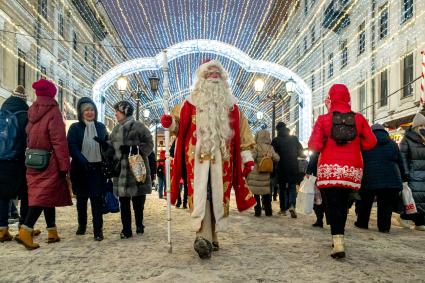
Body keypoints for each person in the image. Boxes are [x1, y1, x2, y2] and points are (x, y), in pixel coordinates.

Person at [161, 59, 256, 259]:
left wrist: (247, 158)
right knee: (200, 195)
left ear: (222, 78)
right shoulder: (188, 104)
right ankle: (202, 236)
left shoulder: (233, 106)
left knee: (218, 196)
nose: (213, 76)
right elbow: (177, 125)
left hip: (223, 161)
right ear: (202, 78)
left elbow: (244, 135)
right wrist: (169, 123)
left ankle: (212, 236)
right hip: (195, 161)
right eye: (209, 73)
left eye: (217, 74)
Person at [308, 84, 376, 259]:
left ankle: (337, 241)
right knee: (343, 204)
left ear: (330, 98)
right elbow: (371, 143)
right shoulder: (359, 119)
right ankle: (339, 238)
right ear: (348, 97)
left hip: (329, 169)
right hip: (351, 169)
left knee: (332, 205)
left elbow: (314, 146)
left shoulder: (323, 119)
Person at [16, 79, 71, 250]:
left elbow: (28, 134)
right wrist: (64, 166)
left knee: (46, 194)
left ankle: (52, 231)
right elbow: (59, 141)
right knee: (43, 197)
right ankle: (26, 230)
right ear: (52, 93)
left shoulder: (32, 110)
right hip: (49, 160)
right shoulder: (53, 111)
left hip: (33, 159)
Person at [107, 101, 153, 239]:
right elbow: (111, 149)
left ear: (125, 112)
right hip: (121, 171)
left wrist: (134, 149)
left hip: (136, 169)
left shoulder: (139, 127)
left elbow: (149, 145)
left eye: (118, 111)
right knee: (124, 202)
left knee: (138, 201)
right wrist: (106, 147)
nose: (115, 114)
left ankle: (139, 224)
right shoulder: (115, 130)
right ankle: (126, 229)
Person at [67, 97, 108, 241]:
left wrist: (104, 145)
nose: (89, 112)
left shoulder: (101, 127)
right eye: (86, 110)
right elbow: (72, 146)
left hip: (97, 169)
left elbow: (107, 146)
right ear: (81, 112)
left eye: (91, 109)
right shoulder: (75, 128)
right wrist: (83, 161)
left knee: (97, 200)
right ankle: (82, 225)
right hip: (80, 168)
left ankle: (98, 230)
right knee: (82, 199)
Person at [355, 124, 405, 233]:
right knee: (386, 204)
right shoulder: (393, 144)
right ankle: (384, 227)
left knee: (365, 201)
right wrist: (404, 177)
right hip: (391, 179)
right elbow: (400, 162)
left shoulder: (365, 144)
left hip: (369, 177)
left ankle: (362, 223)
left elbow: (359, 161)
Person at [0, 85, 30, 242]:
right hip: (19, 161)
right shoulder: (25, 115)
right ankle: (23, 227)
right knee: (25, 194)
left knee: (2, 195)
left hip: (1, 161)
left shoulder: (1, 112)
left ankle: (2, 230)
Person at [398, 113, 425, 231]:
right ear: (416, 126)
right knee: (414, 199)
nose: (424, 128)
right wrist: (406, 174)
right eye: (422, 125)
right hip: (413, 175)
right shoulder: (406, 140)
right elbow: (402, 158)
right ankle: (404, 217)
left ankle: (419, 222)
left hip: (423, 174)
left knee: (422, 199)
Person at [272, 122, 304, 218]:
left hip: (281, 166)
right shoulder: (294, 139)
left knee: (282, 188)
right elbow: (300, 151)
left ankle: (283, 209)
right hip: (293, 166)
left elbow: (273, 154)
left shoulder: (276, 140)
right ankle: (292, 205)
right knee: (292, 187)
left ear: (277, 130)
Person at [247, 130, 280, 217]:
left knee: (256, 193)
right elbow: (277, 158)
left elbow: (252, 157)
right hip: (265, 173)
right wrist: (270, 156)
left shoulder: (256, 147)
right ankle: (268, 211)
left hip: (255, 173)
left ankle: (257, 211)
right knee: (266, 193)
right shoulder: (270, 148)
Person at [306, 151, 327, 228]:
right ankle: (331, 221)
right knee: (327, 200)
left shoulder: (317, 151)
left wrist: (308, 173)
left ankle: (319, 220)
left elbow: (311, 163)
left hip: (318, 179)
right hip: (330, 178)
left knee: (318, 200)